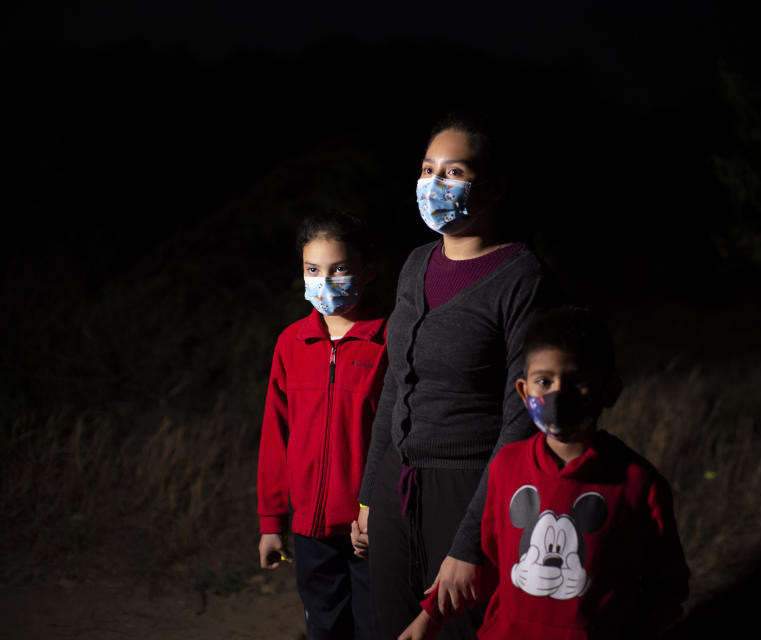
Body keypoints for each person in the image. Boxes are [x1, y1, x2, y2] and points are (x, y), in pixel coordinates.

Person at [350, 115, 555, 639]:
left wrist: (471, 542)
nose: (434, 185)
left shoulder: (521, 278)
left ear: (495, 187)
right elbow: (395, 384)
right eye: (426, 170)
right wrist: (371, 495)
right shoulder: (417, 264)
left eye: (453, 171)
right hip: (397, 486)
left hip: (467, 489)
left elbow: (521, 421)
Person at [400, 307, 691, 639]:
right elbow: (489, 563)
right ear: (524, 392)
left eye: (577, 381)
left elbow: (667, 587)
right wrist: (430, 618)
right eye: (544, 381)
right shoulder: (507, 466)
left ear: (609, 389)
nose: (557, 395)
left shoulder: (638, 483)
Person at [257, 212, 387, 640]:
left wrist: (379, 510)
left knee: (375, 628)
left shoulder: (388, 339)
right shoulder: (291, 342)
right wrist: (272, 522)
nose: (325, 280)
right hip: (310, 527)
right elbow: (276, 437)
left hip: (370, 528)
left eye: (340, 269)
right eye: (313, 270)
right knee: (325, 629)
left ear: (366, 272)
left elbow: (397, 437)